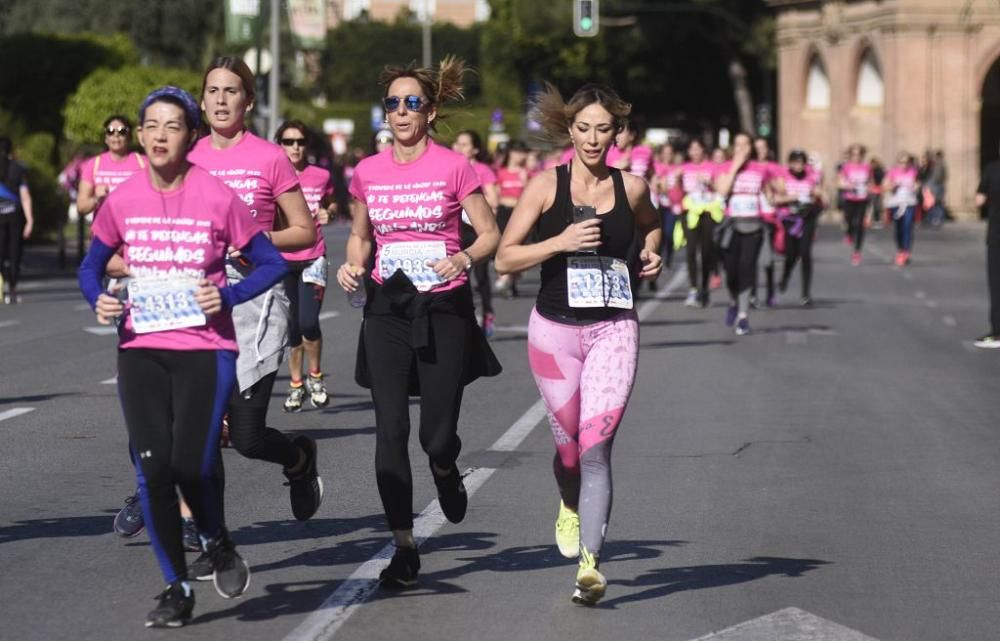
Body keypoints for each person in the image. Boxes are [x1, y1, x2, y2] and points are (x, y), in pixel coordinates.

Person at [78, 86, 288, 627]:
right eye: (152, 125)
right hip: (141, 349)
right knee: (152, 471)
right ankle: (176, 587)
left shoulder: (217, 196)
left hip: (204, 349)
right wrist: (96, 296)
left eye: (173, 125)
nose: (160, 135)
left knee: (190, 465)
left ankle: (215, 537)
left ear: (190, 136)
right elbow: (89, 265)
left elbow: (269, 263)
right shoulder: (122, 199)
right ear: (141, 134)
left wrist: (229, 294)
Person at [335, 56, 501, 588]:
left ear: (430, 112)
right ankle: (404, 546)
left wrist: (464, 259)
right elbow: (361, 234)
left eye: (412, 103)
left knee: (434, 437)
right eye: (393, 103)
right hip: (388, 308)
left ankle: (447, 469)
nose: (401, 112)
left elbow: (489, 233)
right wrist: (352, 263)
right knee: (390, 430)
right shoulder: (368, 171)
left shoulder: (454, 167)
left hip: (444, 306)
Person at [494, 83, 662, 605]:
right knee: (568, 451)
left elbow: (652, 226)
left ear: (618, 133)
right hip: (555, 333)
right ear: (570, 131)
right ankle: (568, 503)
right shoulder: (546, 186)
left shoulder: (631, 188)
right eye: (584, 128)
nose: (593, 139)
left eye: (603, 129)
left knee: (596, 448)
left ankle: (590, 566)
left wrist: (652, 252)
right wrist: (560, 242)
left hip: (614, 327)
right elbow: (504, 258)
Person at [186, 57, 322, 573]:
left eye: (233, 91)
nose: (221, 100)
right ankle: (211, 538)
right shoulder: (187, 156)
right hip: (198, 307)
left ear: (248, 102)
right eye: (213, 91)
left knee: (245, 437)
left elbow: (304, 232)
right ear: (202, 100)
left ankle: (299, 459)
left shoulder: (269, 158)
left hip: (257, 306)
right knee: (200, 431)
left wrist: (255, 241)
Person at [272, 120, 335, 412]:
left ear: (307, 145)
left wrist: (328, 212)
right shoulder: (270, 175)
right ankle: (296, 384)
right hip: (282, 260)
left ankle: (316, 376)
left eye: (299, 141)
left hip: (313, 257)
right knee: (291, 327)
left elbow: (333, 202)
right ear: (279, 145)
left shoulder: (320, 175)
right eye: (288, 141)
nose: (294, 147)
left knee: (309, 321)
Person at [715, 132, 781, 335]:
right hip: (732, 227)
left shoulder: (761, 169)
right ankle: (734, 301)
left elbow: (770, 193)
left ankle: (743, 316)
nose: (742, 149)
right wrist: (735, 166)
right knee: (731, 273)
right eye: (738, 145)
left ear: (752, 148)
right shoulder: (725, 167)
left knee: (747, 269)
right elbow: (722, 191)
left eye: (746, 145)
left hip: (754, 226)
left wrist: (773, 199)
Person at [452, 129, 500, 336]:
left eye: (465, 144)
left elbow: (493, 198)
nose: (459, 147)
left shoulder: (482, 170)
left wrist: (480, 211)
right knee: (458, 275)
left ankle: (487, 311)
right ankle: (462, 317)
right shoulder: (449, 168)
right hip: (455, 228)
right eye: (458, 143)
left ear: (475, 149)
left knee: (480, 276)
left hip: (476, 228)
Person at [678, 138, 722, 307]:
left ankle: (704, 288)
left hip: (708, 212)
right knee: (690, 251)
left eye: (698, 149)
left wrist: (709, 182)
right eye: (692, 149)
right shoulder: (684, 168)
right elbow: (676, 190)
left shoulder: (712, 167)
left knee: (706, 252)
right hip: (689, 212)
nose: (695, 152)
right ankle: (693, 289)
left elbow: (720, 188)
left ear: (704, 150)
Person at [76, 115, 147, 219]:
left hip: (133, 230)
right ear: (106, 138)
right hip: (102, 232)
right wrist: (96, 199)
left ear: (129, 137)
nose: (116, 135)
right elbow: (81, 207)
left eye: (122, 131)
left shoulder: (144, 163)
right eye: (110, 131)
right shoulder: (94, 164)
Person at [776, 149, 822, 306]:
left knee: (805, 253)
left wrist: (817, 196)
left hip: (807, 218)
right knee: (791, 254)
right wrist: (792, 197)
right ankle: (785, 277)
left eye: (801, 162)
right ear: (790, 163)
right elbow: (777, 198)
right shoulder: (783, 176)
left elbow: (820, 194)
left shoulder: (811, 176)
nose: (798, 165)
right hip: (790, 218)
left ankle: (805, 293)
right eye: (795, 162)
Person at [494, 140, 530, 297]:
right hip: (503, 211)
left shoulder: (526, 172)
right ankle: (505, 276)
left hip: (520, 212)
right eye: (516, 152)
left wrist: (525, 179)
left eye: (522, 152)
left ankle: (511, 279)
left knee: (517, 246)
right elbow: (495, 192)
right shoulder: (500, 171)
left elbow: (532, 194)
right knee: (503, 244)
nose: (519, 156)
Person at [0, 138, 33, 304]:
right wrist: (30, 220)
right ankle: (12, 290)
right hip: (15, 217)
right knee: (14, 254)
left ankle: (1, 287)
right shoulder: (18, 169)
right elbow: (25, 196)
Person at [974, 157, 1000, 348]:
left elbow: (979, 200)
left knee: (997, 284)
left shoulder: (992, 169)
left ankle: (997, 333)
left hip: (997, 235)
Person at [838, 144, 873, 265]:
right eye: (853, 154)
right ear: (850, 155)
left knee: (860, 226)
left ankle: (857, 252)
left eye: (858, 154)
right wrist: (848, 186)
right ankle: (849, 233)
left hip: (862, 199)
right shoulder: (846, 167)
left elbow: (870, 182)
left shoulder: (867, 167)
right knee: (849, 221)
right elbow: (839, 182)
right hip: (850, 198)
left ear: (862, 155)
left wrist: (869, 188)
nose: (856, 157)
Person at [883, 152, 919, 266]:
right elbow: (885, 186)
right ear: (897, 163)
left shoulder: (913, 172)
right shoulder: (892, 172)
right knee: (899, 228)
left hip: (909, 203)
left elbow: (918, 183)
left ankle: (906, 251)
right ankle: (900, 249)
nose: (904, 165)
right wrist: (893, 185)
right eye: (901, 162)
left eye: (906, 162)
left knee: (907, 226)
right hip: (896, 203)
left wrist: (916, 186)